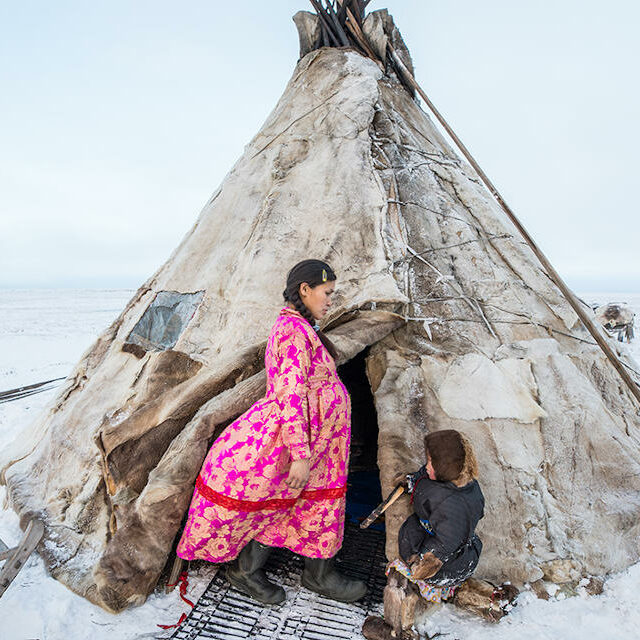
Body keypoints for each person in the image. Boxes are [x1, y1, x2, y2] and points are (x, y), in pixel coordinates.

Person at [176, 259, 366, 605]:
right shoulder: (291, 331)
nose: (330, 301)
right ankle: (248, 571)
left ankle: (317, 574)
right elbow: (290, 396)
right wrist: (300, 454)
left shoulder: (302, 328)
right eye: (327, 293)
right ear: (304, 290)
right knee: (277, 503)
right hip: (300, 440)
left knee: (306, 504)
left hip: (320, 441)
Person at [363, 429, 486, 640]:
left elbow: (449, 541)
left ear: (445, 466)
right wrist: (412, 481)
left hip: (445, 564)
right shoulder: (448, 478)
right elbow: (425, 477)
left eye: (431, 462)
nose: (427, 466)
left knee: (398, 573)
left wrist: (427, 561)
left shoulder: (453, 505)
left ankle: (396, 627)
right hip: (437, 538)